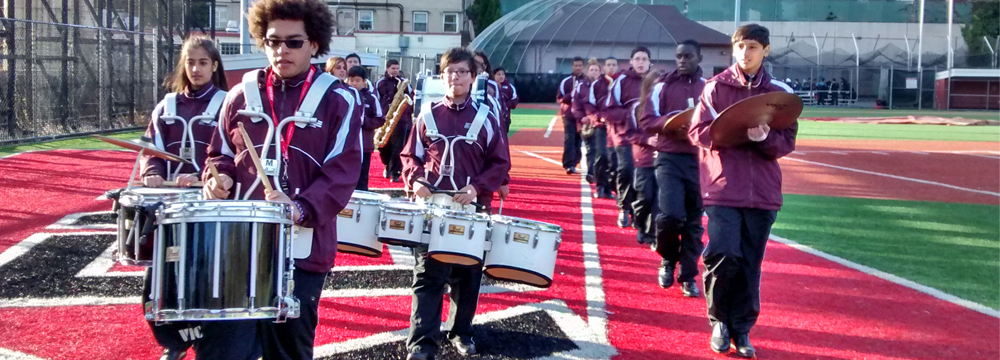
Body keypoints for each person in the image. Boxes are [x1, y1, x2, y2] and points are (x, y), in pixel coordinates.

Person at [199, 0, 363, 358]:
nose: (281, 50)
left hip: (302, 250)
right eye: (273, 41)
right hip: (238, 244)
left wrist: (301, 208)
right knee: (221, 351)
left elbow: (342, 172)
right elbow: (218, 156)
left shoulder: (340, 99)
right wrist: (217, 179)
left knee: (287, 352)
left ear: (315, 45)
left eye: (293, 42)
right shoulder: (240, 95)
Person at [688, 23, 797, 358]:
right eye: (739, 46)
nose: (745, 53)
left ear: (766, 50)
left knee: (751, 262)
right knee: (723, 253)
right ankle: (719, 320)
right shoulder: (715, 88)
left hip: (763, 192)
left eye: (752, 46)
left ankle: (742, 329)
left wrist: (765, 138)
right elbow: (698, 133)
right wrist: (730, 130)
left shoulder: (780, 94)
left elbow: (787, 142)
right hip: (723, 187)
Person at [400, 47, 511, 360]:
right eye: (450, 71)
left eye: (463, 72)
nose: (456, 77)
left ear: (473, 78)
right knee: (427, 276)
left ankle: (461, 332)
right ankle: (421, 344)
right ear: (442, 75)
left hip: (472, 209)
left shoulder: (487, 118)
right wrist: (416, 179)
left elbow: (500, 163)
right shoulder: (427, 115)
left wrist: (476, 188)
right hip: (432, 209)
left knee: (468, 276)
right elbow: (410, 155)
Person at [139, 34, 229, 360]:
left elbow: (230, 154)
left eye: (203, 62)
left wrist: (205, 175)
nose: (195, 68)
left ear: (214, 65)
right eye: (190, 62)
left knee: (205, 274)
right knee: (162, 277)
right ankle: (174, 341)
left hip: (210, 207)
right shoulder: (167, 105)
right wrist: (152, 172)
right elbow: (152, 147)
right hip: (172, 207)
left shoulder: (226, 103)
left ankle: (203, 338)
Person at [638, 39, 706, 297]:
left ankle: (688, 276)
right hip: (668, 158)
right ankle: (667, 258)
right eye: (678, 56)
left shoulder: (709, 88)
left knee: (693, 221)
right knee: (670, 216)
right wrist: (671, 123)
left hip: (699, 161)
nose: (682, 60)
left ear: (699, 58)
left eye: (688, 56)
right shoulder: (662, 85)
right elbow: (646, 119)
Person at [605, 47, 652, 229]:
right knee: (626, 170)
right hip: (624, 135)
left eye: (644, 59)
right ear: (631, 61)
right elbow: (610, 109)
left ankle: (640, 211)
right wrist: (631, 115)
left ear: (650, 62)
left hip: (647, 136)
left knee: (645, 174)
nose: (641, 63)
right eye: (637, 59)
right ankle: (624, 208)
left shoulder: (655, 81)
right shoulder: (621, 81)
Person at [572, 58, 611, 199]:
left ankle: (601, 179)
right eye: (591, 69)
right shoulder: (581, 87)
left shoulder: (606, 85)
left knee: (604, 153)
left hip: (601, 123)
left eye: (596, 69)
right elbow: (576, 104)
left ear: (600, 71)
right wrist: (582, 117)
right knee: (591, 150)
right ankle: (591, 173)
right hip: (587, 124)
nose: (594, 72)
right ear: (587, 71)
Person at [376, 59, 413, 183]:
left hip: (400, 119)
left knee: (398, 147)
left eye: (397, 68)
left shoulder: (404, 83)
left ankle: (395, 173)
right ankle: (387, 164)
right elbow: (376, 99)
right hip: (385, 118)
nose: (395, 71)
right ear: (387, 69)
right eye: (393, 68)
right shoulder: (380, 83)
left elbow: (411, 99)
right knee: (383, 146)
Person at [348, 65, 385, 191]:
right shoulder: (344, 95)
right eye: (351, 80)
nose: (354, 83)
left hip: (365, 145)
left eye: (357, 81)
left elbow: (380, 119)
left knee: (362, 177)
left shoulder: (371, 98)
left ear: (364, 82)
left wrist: (365, 122)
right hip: (347, 146)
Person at [557, 57, 585, 174]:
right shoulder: (566, 81)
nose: (578, 67)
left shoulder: (587, 81)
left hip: (582, 116)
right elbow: (560, 98)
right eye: (576, 65)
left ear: (583, 66)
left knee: (579, 140)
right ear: (572, 66)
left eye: (580, 65)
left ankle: (575, 161)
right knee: (570, 138)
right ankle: (569, 164)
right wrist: (570, 94)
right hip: (569, 115)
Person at [493, 67, 518, 135]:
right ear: (494, 75)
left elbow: (514, 102)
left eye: (502, 74)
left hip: (505, 118)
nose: (501, 76)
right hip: (493, 117)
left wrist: (504, 106)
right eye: (498, 74)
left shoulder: (510, 87)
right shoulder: (490, 86)